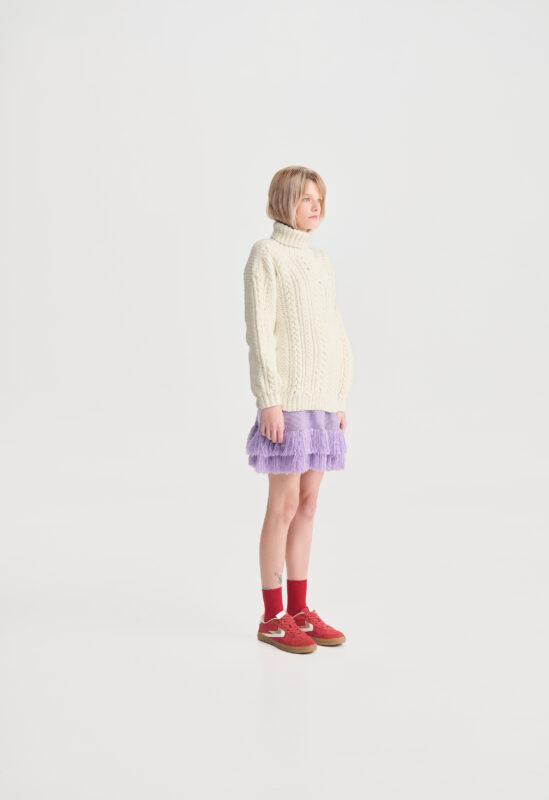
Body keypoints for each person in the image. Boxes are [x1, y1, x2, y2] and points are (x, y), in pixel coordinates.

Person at [243, 165, 354, 654]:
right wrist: (269, 398)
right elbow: (260, 332)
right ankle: (273, 617)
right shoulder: (265, 255)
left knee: (308, 505)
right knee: (284, 506)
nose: (316, 206)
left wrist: (339, 397)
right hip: (287, 403)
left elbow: (335, 331)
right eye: (307, 198)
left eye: (319, 199)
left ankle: (300, 609)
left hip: (322, 404)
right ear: (284, 201)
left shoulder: (321, 261)